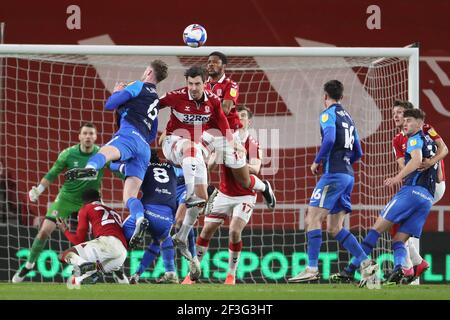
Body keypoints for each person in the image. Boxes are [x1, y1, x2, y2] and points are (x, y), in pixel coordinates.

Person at [65, 61, 168, 248]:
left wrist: (118, 91)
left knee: (102, 153)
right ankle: (138, 219)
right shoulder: (155, 100)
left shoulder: (138, 85)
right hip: (144, 148)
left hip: (129, 135)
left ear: (149, 71)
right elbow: (153, 134)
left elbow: (110, 104)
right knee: (129, 196)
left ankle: (89, 169)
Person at [288, 80, 377, 283]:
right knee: (335, 227)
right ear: (342, 97)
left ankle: (311, 268)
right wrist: (344, 163)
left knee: (312, 218)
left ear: (324, 96)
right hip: (348, 175)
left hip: (334, 175)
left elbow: (329, 139)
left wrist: (317, 161)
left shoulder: (328, 114)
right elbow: (358, 152)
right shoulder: (349, 118)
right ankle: (366, 263)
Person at [12, 123, 121, 283]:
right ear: (79, 136)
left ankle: (116, 271)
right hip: (66, 199)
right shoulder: (68, 154)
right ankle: (29, 265)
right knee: (44, 231)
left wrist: (135, 178)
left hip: (90, 200)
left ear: (96, 137)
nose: (88, 136)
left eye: (91, 133)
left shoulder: (101, 154)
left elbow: (117, 171)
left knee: (104, 234)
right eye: (85, 133)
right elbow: (52, 173)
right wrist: (39, 189)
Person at [349, 108, 438, 287]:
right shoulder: (431, 139)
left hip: (411, 191)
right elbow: (442, 150)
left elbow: (415, 160)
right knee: (399, 238)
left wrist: (398, 177)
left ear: (420, 123)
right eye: (402, 120)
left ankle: (351, 269)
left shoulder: (414, 138)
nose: (404, 123)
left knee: (376, 229)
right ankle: (401, 268)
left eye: (408, 120)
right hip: (427, 196)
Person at [157, 65, 234, 260]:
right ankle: (189, 193)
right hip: (173, 143)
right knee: (191, 147)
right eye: (190, 83)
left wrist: (234, 144)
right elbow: (153, 105)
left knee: (202, 198)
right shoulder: (176, 96)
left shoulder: (214, 101)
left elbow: (222, 122)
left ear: (205, 82)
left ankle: (182, 235)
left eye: (197, 83)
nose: (193, 87)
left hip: (193, 150)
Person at [194, 106, 263, 285]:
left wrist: (236, 161)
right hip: (224, 193)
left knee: (234, 230)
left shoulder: (252, 143)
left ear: (249, 121)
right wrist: (215, 157)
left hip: (245, 194)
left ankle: (231, 275)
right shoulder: (224, 140)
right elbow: (210, 166)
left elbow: (255, 168)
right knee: (206, 230)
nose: (240, 119)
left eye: (243, 116)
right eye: (237, 116)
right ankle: (192, 272)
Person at [204, 51, 276, 210]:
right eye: (209, 62)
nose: (210, 64)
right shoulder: (202, 86)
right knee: (193, 157)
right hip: (209, 131)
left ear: (223, 66)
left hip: (227, 133)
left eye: (215, 62)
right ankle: (208, 192)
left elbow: (226, 107)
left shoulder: (231, 85)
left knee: (243, 180)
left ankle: (264, 187)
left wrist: (203, 108)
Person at [391, 100, 447, 282]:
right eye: (394, 113)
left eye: (400, 112)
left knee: (398, 224)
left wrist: (431, 162)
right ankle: (416, 263)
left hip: (433, 185)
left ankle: (407, 267)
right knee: (399, 225)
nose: (396, 116)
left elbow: (444, 148)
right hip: (417, 186)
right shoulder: (397, 140)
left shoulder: (426, 128)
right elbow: (402, 165)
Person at [124, 151, 181, 284]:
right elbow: (187, 174)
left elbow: (116, 167)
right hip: (167, 218)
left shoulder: (142, 167)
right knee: (160, 240)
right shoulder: (173, 169)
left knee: (118, 236)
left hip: (146, 211)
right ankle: (170, 272)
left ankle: (105, 266)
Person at [57, 189, 128, 288]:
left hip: (106, 243)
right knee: (77, 280)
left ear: (84, 202)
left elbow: (79, 240)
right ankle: (93, 273)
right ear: (99, 198)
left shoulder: (86, 208)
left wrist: (65, 230)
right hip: (122, 253)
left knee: (63, 256)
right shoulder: (113, 211)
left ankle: (84, 264)